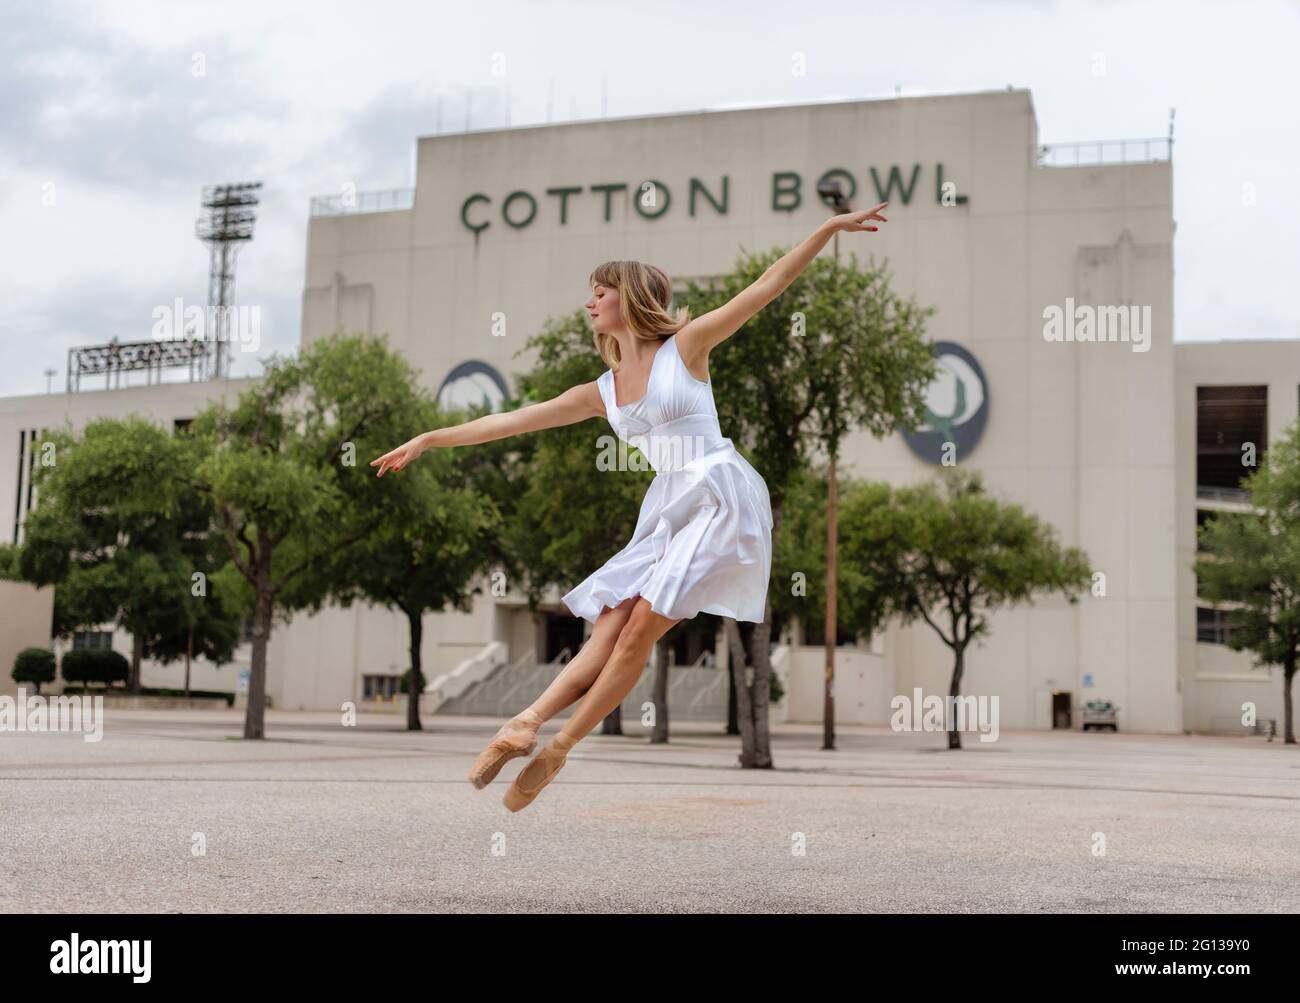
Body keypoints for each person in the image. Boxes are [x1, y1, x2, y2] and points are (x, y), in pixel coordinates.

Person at [371, 203, 889, 811]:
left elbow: (767, 287)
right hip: (669, 505)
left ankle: (560, 747)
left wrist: (826, 230)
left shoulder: (688, 347)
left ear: (630, 295)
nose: (590, 302)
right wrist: (431, 438)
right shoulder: (603, 391)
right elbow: (510, 420)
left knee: (639, 628)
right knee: (610, 623)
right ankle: (524, 724)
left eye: (600, 291)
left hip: (719, 496)